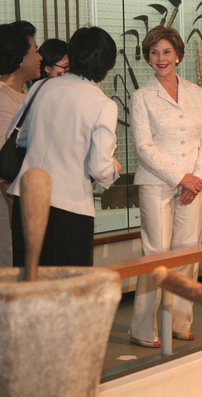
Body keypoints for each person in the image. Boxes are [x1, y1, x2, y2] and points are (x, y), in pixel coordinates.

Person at [129, 26, 202, 347]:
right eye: (154, 52)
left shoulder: (197, 93)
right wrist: (182, 178)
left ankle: (180, 321)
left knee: (188, 252)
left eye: (166, 52)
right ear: (148, 58)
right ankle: (142, 327)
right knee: (155, 254)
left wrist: (197, 178)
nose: (161, 58)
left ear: (178, 55)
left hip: (194, 184)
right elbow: (144, 147)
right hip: (157, 183)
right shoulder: (142, 97)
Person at [7, 26, 121, 267]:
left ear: (72, 55)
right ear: (107, 66)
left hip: (26, 200)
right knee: (68, 291)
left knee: (28, 285)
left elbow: (19, 138)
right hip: (69, 208)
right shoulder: (103, 104)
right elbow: (99, 167)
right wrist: (113, 169)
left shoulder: (40, 87)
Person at [0, 21, 41, 267]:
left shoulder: (24, 95)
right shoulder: (3, 99)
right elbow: (5, 167)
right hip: (10, 204)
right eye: (34, 50)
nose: (40, 56)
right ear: (19, 58)